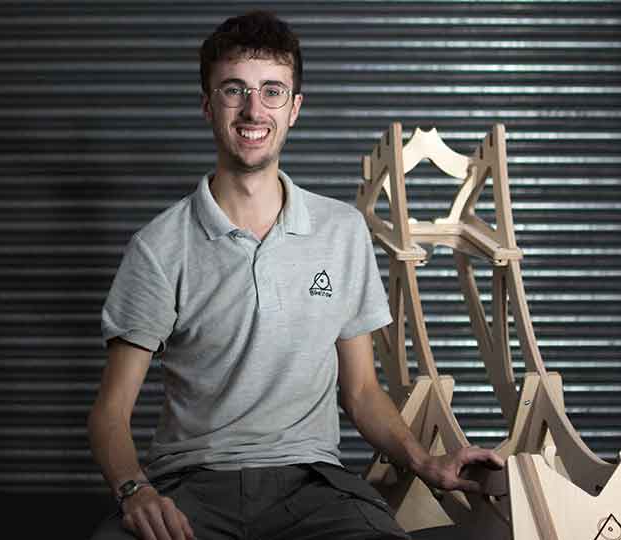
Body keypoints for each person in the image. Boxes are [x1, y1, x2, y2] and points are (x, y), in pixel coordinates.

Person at [88, 11, 504, 540]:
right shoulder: (159, 246)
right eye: (233, 90)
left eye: (272, 91)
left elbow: (360, 391)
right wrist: (134, 490)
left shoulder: (341, 230)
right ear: (207, 105)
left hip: (313, 486)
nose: (253, 109)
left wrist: (426, 462)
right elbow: (109, 413)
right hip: (191, 486)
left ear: (295, 108)